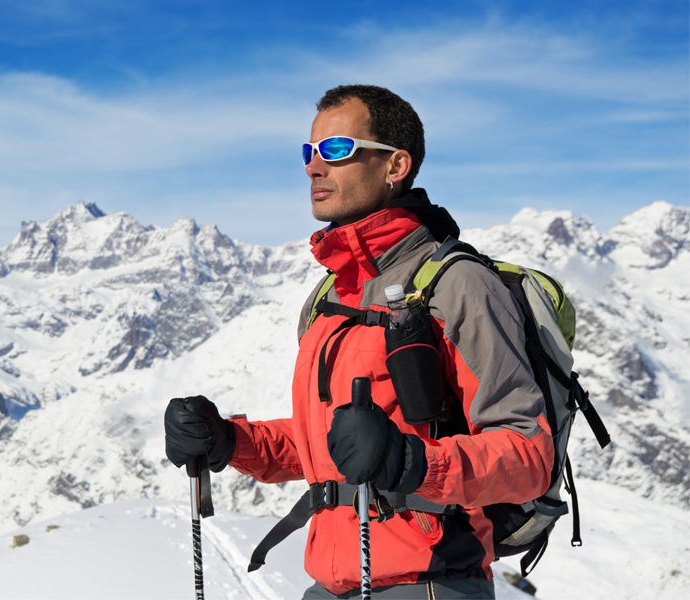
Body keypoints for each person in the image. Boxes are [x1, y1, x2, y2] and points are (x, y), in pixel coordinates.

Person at [164, 84, 554, 599]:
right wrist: (230, 441)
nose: (313, 167)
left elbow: (528, 454)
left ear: (396, 166)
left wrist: (412, 462)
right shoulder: (330, 295)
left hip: (428, 582)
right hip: (333, 583)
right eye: (309, 152)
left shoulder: (455, 284)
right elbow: (328, 447)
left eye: (336, 150)